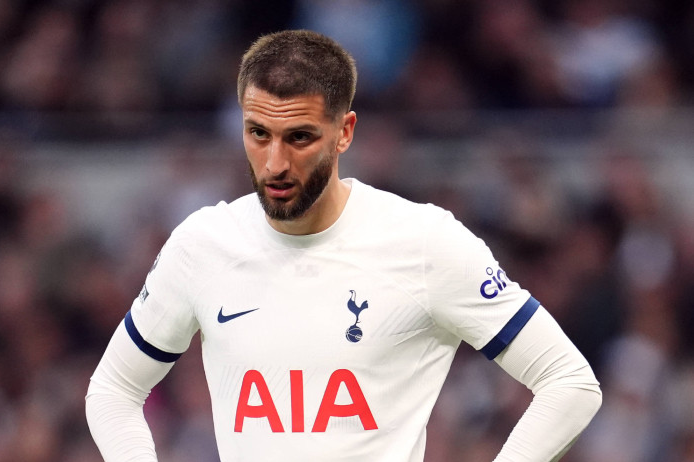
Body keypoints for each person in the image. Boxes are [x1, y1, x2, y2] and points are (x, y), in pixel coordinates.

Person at [86, 29, 602, 461]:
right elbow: (112, 391)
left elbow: (569, 382)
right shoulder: (202, 245)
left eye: (299, 137)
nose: (275, 164)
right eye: (258, 133)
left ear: (344, 132)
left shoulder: (424, 242)